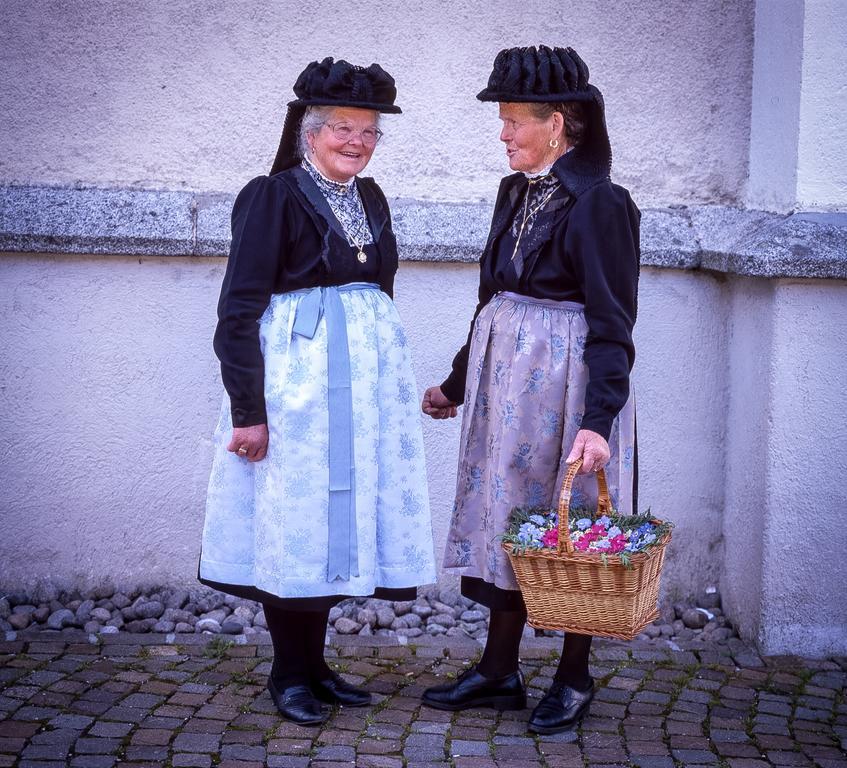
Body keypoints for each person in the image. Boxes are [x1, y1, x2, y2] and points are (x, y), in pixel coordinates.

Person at [199, 57, 436, 726]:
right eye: (342, 128)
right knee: (298, 520)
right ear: (308, 132)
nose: (357, 141)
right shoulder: (271, 196)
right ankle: (288, 673)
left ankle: (317, 665)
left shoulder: (372, 197)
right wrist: (250, 410)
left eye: (368, 131)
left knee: (341, 522)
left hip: (360, 396)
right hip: (296, 389)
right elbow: (237, 309)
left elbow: (376, 296)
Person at [420, 45, 639, 734]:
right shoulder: (513, 192)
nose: (503, 133)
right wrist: (458, 380)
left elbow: (612, 319)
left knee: (568, 523)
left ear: (560, 122)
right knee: (505, 514)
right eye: (503, 119)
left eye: (516, 120)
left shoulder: (601, 203)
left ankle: (573, 678)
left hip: (567, 383)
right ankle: (497, 670)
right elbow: (491, 295)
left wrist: (597, 419)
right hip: (501, 382)